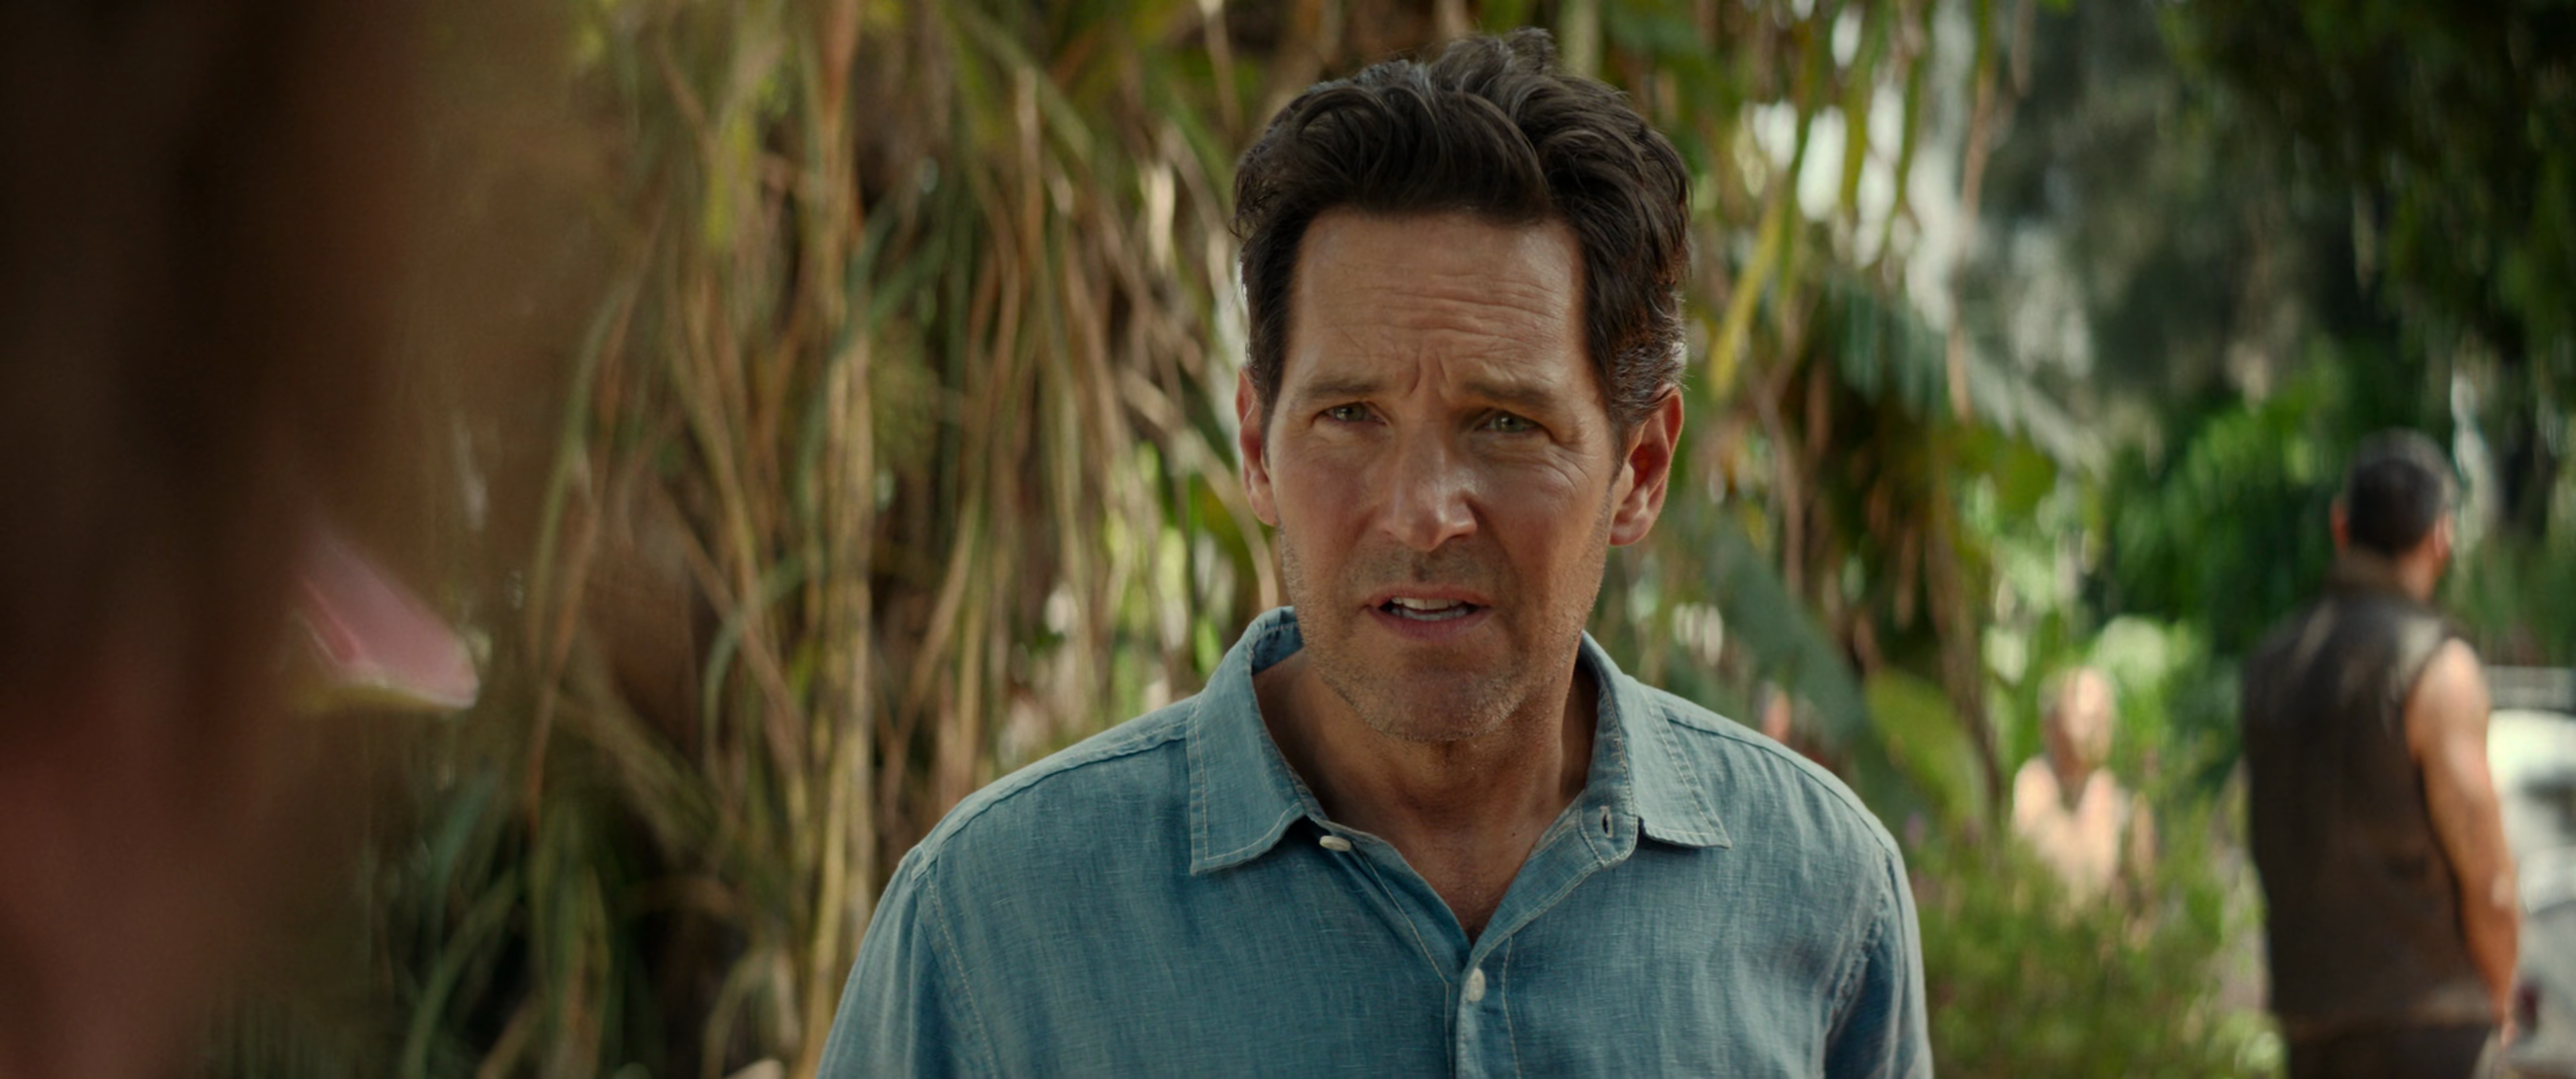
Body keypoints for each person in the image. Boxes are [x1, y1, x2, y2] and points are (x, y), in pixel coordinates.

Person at [820, 30, 1928, 1076]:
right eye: (1349, 415)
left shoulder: (1825, 896)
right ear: (1255, 446)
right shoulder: (989, 927)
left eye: (1507, 423)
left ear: (1638, 468)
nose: (1422, 513)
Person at [2243, 430, 2520, 1078]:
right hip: (2433, 1032)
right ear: (2441, 537)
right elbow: (2491, 883)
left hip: (2312, 1034)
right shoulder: (2437, 669)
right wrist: (2502, 996)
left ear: (2341, 527)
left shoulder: (2271, 667)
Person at [2011, 666, 2152, 904]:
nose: (2098, 727)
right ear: (2053, 724)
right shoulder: (2034, 785)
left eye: (2104, 717)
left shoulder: (2124, 801)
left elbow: (2144, 892)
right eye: (2088, 717)